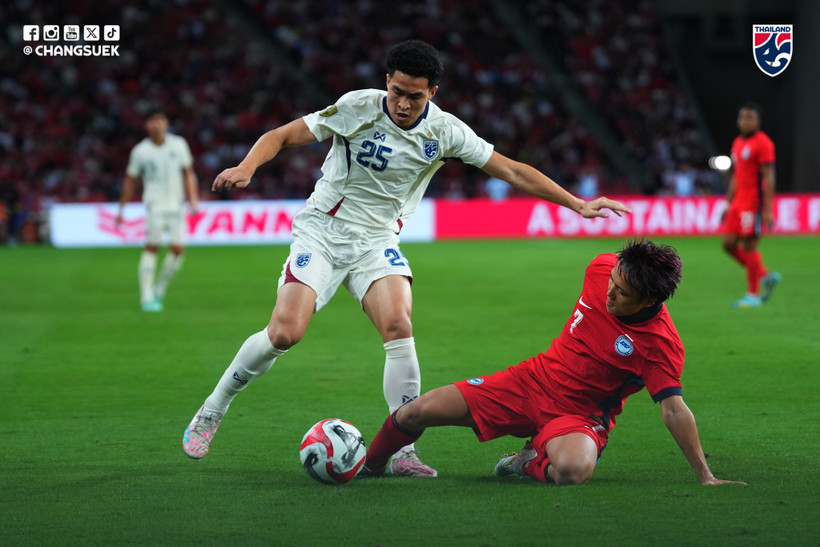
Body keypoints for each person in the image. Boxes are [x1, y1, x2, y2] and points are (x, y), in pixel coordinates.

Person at [182, 40, 631, 476]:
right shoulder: (357, 107)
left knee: (399, 326)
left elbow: (511, 170)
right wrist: (246, 167)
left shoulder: (446, 131)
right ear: (387, 83)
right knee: (284, 334)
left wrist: (577, 203)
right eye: (396, 91)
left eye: (414, 96)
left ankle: (403, 451)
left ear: (433, 93)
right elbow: (281, 135)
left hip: (377, 241)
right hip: (323, 230)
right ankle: (213, 408)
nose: (401, 103)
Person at [361, 240, 746, 487]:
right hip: (530, 381)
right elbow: (611, 271)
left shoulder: (660, 345)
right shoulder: (600, 268)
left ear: (648, 302)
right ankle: (368, 466)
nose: (609, 292)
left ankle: (526, 460)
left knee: (573, 472)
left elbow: (674, 410)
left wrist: (705, 476)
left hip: (578, 417)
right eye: (612, 281)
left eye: (622, 293)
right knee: (415, 413)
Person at [117, 107, 199, 312]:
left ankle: (159, 289)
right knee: (152, 246)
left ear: (166, 124)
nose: (156, 125)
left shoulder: (179, 144)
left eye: (159, 121)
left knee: (178, 250)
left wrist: (193, 199)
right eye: (152, 121)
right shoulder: (140, 151)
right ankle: (146, 296)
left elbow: (188, 173)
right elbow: (130, 180)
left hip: (177, 205)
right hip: (155, 205)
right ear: (146, 125)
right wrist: (121, 208)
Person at [720, 102, 780, 308]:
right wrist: (727, 204)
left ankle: (752, 295)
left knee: (749, 245)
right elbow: (736, 177)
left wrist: (768, 209)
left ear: (757, 120)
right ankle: (765, 275)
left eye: (749, 118)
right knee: (728, 244)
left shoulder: (764, 143)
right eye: (741, 117)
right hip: (737, 203)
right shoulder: (737, 143)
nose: (744, 121)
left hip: (753, 203)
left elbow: (769, 177)